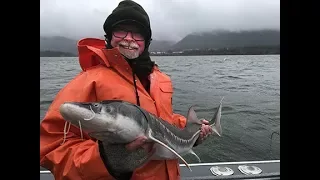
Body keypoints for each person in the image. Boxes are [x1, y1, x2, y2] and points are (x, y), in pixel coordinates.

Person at [40, 0, 213, 179]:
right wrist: (107, 160)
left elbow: (164, 120)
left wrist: (191, 130)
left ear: (146, 41)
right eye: (121, 31)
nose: (129, 39)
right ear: (109, 36)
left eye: (138, 34)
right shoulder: (87, 81)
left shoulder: (159, 77)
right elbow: (51, 148)